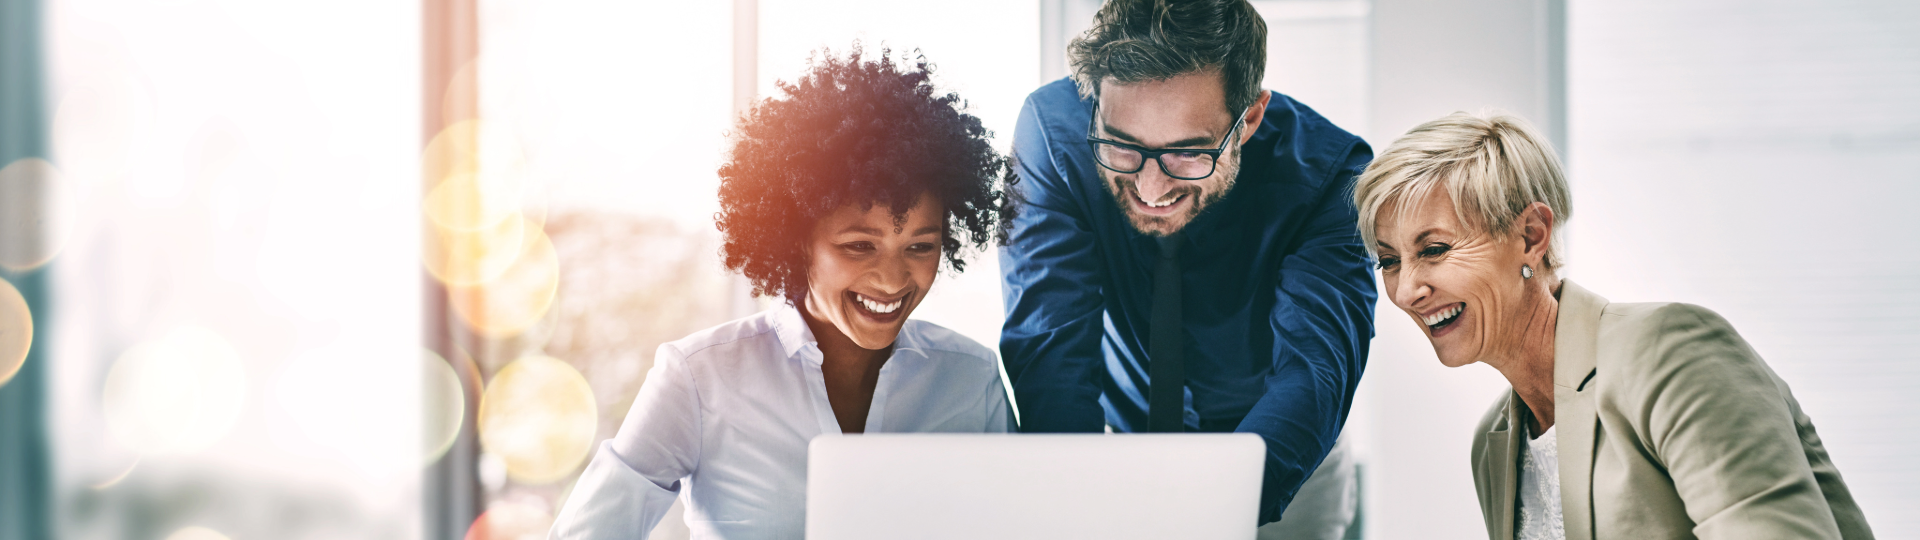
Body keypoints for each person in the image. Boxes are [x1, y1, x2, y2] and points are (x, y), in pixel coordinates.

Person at [549, 47, 1015, 539]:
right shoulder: (699, 378)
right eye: (860, 245)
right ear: (797, 241)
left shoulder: (971, 379)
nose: (893, 279)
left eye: (920, 246)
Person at [1353, 111, 1874, 540]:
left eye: (1435, 249)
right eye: (1390, 260)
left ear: (1532, 236)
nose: (1405, 291)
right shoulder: (1494, 440)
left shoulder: (1667, 352)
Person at [998, 0, 1375, 535]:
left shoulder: (1334, 175)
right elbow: (1049, 345)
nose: (1151, 189)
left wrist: (1213, 510)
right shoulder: (1053, 132)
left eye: (1189, 153)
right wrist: (1070, 497)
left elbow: (1314, 371)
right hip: (1115, 447)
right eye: (1122, 146)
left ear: (1249, 118)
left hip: (1287, 461)